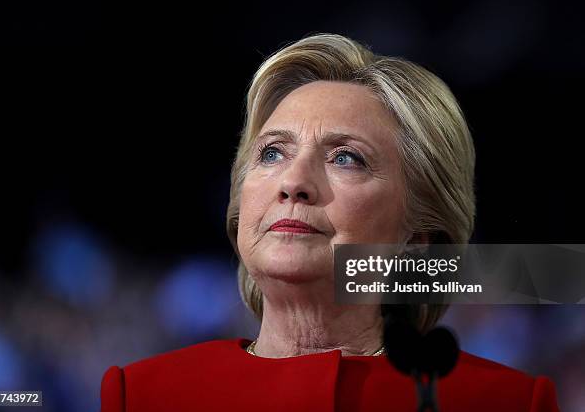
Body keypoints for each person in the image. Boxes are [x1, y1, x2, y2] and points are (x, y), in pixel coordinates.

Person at [100, 33, 560, 412]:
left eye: (346, 158)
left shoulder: (506, 402)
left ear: (420, 237)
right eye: (272, 153)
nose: (293, 182)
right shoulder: (143, 395)